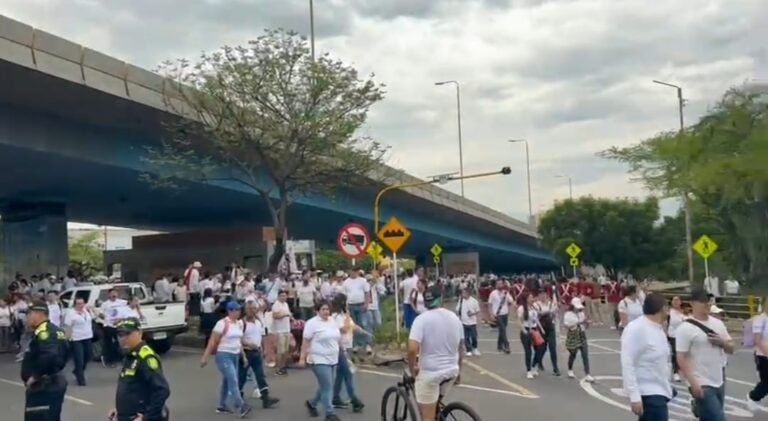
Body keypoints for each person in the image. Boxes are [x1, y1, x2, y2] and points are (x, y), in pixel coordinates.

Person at [407, 285, 463, 421]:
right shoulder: (455, 318)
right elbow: (461, 348)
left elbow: (412, 349)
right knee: (435, 404)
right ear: (441, 298)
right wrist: (459, 370)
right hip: (451, 371)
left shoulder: (421, 319)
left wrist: (412, 368)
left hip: (430, 374)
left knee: (426, 416)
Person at [676, 289, 733, 421]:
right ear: (692, 304)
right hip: (701, 381)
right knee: (718, 418)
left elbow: (731, 348)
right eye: (702, 301)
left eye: (708, 301)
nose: (706, 304)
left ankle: (698, 407)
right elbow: (681, 357)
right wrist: (693, 382)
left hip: (719, 378)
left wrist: (722, 343)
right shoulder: (685, 328)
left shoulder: (718, 324)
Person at [621, 293, 673, 421]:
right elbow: (628, 362)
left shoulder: (658, 330)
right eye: (667, 308)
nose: (668, 312)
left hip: (661, 390)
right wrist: (634, 395)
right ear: (661, 309)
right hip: (648, 393)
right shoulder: (636, 329)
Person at [108, 318, 170, 421]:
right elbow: (131, 388)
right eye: (120, 335)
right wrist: (119, 409)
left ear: (139, 333)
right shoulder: (129, 356)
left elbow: (162, 390)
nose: (123, 339)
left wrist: (147, 417)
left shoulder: (145, 357)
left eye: (127, 334)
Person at [200, 301, 251, 417]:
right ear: (229, 311)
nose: (238, 312)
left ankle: (221, 405)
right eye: (236, 310)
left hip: (235, 354)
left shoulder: (239, 324)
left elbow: (239, 341)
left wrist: (243, 356)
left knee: (227, 381)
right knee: (233, 379)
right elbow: (212, 341)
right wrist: (205, 357)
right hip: (223, 355)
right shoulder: (222, 324)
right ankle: (241, 406)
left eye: (239, 310)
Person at [21, 301, 69, 421]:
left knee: (39, 417)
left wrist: (35, 376)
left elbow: (50, 355)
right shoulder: (55, 330)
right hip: (53, 381)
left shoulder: (45, 332)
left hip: (45, 384)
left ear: (39, 314)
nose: (27, 318)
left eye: (29, 314)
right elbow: (66, 351)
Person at [300, 300, 342, 421]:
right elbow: (306, 341)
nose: (326, 312)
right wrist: (302, 358)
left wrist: (342, 350)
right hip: (318, 358)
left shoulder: (332, 321)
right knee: (328, 386)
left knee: (325, 385)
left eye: (327, 309)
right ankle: (329, 413)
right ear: (317, 311)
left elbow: (336, 337)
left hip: (333, 358)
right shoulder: (312, 323)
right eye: (323, 309)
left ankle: (312, 403)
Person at [237, 302, 280, 409]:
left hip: (257, 353)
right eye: (250, 308)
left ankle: (266, 398)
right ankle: (239, 398)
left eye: (254, 308)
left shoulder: (258, 322)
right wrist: (247, 345)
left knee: (260, 376)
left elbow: (262, 337)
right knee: (242, 377)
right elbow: (237, 339)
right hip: (246, 352)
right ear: (245, 310)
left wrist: (264, 349)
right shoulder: (241, 323)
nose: (252, 310)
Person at [331, 294, 367, 413]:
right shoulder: (335, 317)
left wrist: (361, 330)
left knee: (341, 375)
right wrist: (347, 319)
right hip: (340, 349)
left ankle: (335, 397)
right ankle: (354, 400)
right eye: (345, 302)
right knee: (348, 374)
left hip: (348, 347)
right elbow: (341, 329)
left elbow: (352, 326)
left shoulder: (345, 315)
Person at [64, 297, 94, 386]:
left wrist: (92, 309)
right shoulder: (71, 313)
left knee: (88, 356)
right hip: (76, 338)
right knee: (79, 359)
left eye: (82, 303)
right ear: (75, 304)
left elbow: (96, 316)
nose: (80, 305)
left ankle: (77, 370)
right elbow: (68, 327)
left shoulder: (86, 311)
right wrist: (67, 338)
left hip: (88, 337)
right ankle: (81, 378)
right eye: (78, 304)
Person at [564, 297, 594, 382]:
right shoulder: (568, 314)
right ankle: (570, 369)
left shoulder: (581, 314)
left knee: (585, 354)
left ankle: (587, 373)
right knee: (573, 353)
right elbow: (567, 325)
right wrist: (578, 322)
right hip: (573, 334)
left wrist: (587, 323)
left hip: (582, 334)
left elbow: (585, 326)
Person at [343, 268, 371, 354]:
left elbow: (367, 293)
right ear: (350, 271)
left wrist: (366, 303)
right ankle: (356, 344)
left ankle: (367, 344)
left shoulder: (362, 281)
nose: (354, 272)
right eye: (353, 271)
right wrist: (345, 307)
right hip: (351, 305)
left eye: (356, 271)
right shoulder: (346, 282)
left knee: (364, 324)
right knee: (353, 326)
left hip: (361, 304)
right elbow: (344, 295)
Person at [748, 296, 768, 412]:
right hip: (763, 355)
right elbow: (757, 339)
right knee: (766, 381)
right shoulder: (760, 319)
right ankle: (753, 397)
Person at [518, 292, 544, 379]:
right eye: (530, 297)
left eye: (532, 297)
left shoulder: (534, 307)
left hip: (535, 329)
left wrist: (541, 328)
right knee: (528, 351)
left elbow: (536, 319)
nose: (532, 299)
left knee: (540, 348)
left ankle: (534, 365)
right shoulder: (522, 308)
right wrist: (523, 330)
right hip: (526, 330)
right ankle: (528, 370)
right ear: (526, 299)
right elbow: (519, 320)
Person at [534, 288, 560, 375]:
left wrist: (555, 312)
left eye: (544, 294)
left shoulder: (551, 303)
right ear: (538, 296)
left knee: (553, 348)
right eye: (540, 294)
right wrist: (548, 311)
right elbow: (537, 314)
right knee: (542, 348)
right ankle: (539, 361)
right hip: (541, 328)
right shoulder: (536, 304)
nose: (542, 296)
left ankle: (555, 368)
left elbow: (555, 314)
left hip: (550, 327)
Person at [100, 288, 128, 367]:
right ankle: (109, 360)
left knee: (121, 343)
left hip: (120, 325)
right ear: (109, 295)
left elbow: (129, 307)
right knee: (109, 343)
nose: (113, 295)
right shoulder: (105, 304)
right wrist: (102, 317)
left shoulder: (122, 302)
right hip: (109, 326)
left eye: (115, 293)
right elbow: (101, 314)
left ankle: (123, 359)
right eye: (112, 293)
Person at [271, 290, 293, 376]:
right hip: (279, 331)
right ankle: (278, 368)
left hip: (287, 329)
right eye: (282, 296)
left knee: (286, 351)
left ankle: (283, 367)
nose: (284, 297)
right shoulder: (276, 305)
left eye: (285, 296)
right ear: (278, 296)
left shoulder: (286, 304)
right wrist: (285, 315)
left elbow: (288, 314)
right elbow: (275, 316)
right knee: (280, 351)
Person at [488, 280, 513, 353]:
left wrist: (509, 308)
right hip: (497, 314)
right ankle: (506, 345)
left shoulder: (506, 293)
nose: (500, 285)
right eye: (498, 284)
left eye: (501, 284)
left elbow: (511, 301)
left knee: (502, 330)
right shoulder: (493, 293)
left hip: (505, 314)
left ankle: (499, 345)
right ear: (496, 285)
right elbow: (490, 304)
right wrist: (491, 314)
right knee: (503, 329)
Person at [456, 287, 481, 356]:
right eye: (462, 293)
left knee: (474, 336)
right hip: (463, 322)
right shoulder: (461, 300)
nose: (462, 294)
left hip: (472, 322)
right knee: (466, 337)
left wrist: (472, 314)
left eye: (464, 293)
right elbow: (457, 309)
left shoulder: (474, 301)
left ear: (468, 293)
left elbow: (478, 310)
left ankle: (475, 348)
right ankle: (468, 350)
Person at [668, 296, 685, 383]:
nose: (675, 302)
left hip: (683, 336)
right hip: (672, 335)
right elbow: (665, 323)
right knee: (675, 353)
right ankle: (676, 372)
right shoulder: (669, 313)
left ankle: (681, 369)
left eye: (677, 300)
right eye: (673, 300)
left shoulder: (684, 312)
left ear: (680, 302)